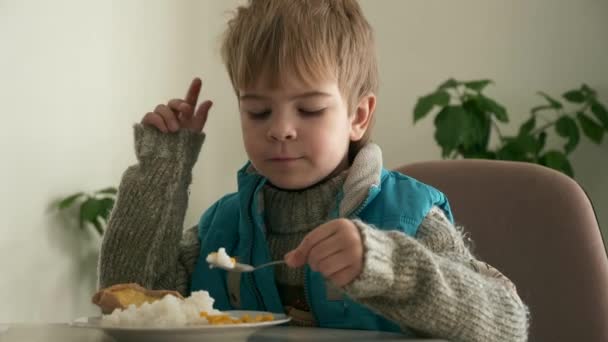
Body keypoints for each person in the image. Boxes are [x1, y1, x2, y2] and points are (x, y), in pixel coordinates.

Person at [98, 1, 529, 340]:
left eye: (309, 109)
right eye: (259, 111)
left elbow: (507, 324)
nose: (281, 129)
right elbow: (130, 300)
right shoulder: (223, 228)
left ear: (358, 116)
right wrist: (161, 172)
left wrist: (390, 267)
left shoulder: (409, 218)